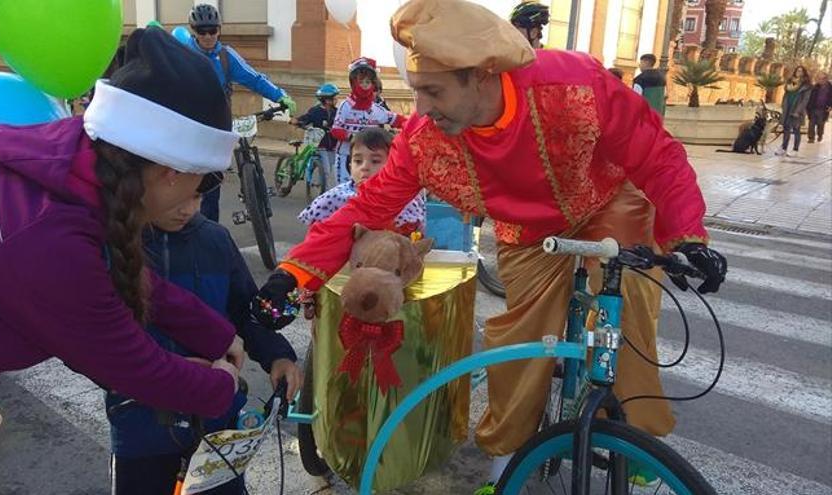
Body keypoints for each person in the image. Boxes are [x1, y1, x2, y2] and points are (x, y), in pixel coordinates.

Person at [250, 1, 727, 493]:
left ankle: (638, 433)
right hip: (526, 231)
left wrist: (688, 236)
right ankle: (506, 462)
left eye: (434, 92)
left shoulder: (573, 85)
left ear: (482, 76)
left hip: (606, 201)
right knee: (521, 338)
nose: (423, 109)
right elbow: (364, 209)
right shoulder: (422, 140)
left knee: (630, 309)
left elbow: (656, 153)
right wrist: (293, 275)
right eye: (416, 93)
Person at [0, 28, 246, 492]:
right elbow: (130, 364)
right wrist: (224, 386)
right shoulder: (49, 239)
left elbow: (123, 273)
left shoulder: (79, 160)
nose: (200, 195)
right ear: (171, 172)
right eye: (206, 182)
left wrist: (216, 332)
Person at [107, 192, 302, 495]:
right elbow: (100, 335)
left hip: (217, 422)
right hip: (141, 422)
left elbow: (243, 309)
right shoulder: (116, 244)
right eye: (175, 197)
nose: (186, 208)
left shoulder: (216, 240)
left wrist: (277, 356)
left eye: (196, 195)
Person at [185, 4, 297, 222]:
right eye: (202, 31)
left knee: (211, 186)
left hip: (218, 123)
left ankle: (209, 230)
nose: (208, 36)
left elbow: (253, 78)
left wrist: (279, 95)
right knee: (186, 183)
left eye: (212, 31)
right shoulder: (184, 55)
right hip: (192, 125)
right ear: (193, 31)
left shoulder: (227, 57)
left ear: (219, 30)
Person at [298, 127, 426, 234]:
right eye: (358, 161)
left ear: (393, 165)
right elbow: (315, 235)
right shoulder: (336, 197)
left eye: (375, 161)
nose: (364, 167)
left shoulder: (405, 199)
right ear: (350, 165)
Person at [331, 57, 404, 184]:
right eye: (361, 82)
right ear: (354, 83)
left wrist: (419, 124)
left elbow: (397, 120)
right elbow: (336, 130)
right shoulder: (345, 106)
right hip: (346, 157)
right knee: (344, 193)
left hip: (370, 160)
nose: (364, 86)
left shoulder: (376, 109)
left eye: (367, 82)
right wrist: (352, 136)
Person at [289, 83, 340, 188]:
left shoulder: (337, 112)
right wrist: (297, 121)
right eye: (334, 98)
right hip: (320, 144)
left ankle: (313, 172)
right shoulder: (315, 111)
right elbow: (306, 118)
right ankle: (325, 193)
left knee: (333, 169)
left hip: (333, 145)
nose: (337, 100)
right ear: (327, 100)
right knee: (326, 171)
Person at [775, 65, 813, 158]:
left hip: (797, 110)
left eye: (801, 71)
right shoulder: (789, 83)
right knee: (786, 129)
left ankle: (795, 149)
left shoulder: (806, 86)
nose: (798, 72)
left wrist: (798, 111)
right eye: (797, 70)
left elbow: (805, 100)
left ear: (804, 73)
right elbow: (785, 96)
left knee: (796, 130)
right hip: (787, 108)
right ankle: (783, 148)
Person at [807, 71, 831, 144]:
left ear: (826, 79)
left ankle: (820, 135)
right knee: (811, 124)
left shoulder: (830, 88)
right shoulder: (815, 87)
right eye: (819, 78)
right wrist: (808, 107)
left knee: (820, 124)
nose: (821, 80)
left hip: (823, 109)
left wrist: (830, 106)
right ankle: (811, 138)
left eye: (823, 78)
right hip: (813, 108)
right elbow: (810, 97)